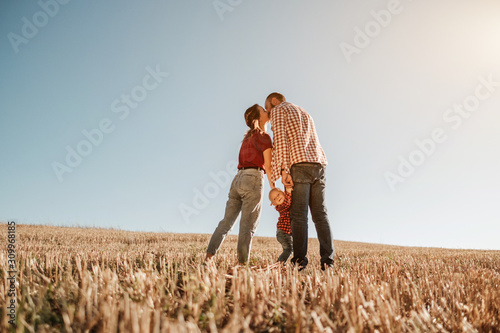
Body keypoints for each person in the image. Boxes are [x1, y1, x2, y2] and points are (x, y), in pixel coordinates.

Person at [265, 92, 335, 270]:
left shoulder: (279, 109)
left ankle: (299, 262)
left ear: (274, 101)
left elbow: (280, 140)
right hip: (319, 164)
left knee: (298, 216)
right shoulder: (304, 112)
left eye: (268, 108)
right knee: (320, 215)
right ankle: (328, 262)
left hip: (299, 164)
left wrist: (283, 170)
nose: (269, 113)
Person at [206, 104, 274, 264]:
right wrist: (274, 189)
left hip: (237, 179)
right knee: (247, 227)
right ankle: (242, 266)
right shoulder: (264, 137)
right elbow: (268, 166)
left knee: (225, 223)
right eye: (264, 111)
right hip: (253, 178)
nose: (267, 112)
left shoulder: (247, 139)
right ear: (258, 118)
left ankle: (207, 259)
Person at [269, 186, 293, 263]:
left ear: (283, 192)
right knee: (289, 249)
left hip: (284, 232)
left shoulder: (282, 203)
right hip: (283, 233)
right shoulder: (280, 207)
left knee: (286, 249)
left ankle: (282, 264)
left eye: (278, 194)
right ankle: (280, 263)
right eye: (275, 199)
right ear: (274, 203)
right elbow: (287, 204)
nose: (278, 197)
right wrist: (289, 192)